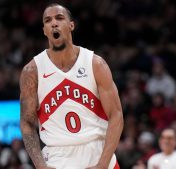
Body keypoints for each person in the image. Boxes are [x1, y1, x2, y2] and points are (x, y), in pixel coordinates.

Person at [19, 3, 123, 169]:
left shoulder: (95, 64)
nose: (54, 23)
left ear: (71, 25)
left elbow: (116, 115)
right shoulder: (32, 71)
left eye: (59, 18)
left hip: (97, 152)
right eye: (48, 20)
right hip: (57, 157)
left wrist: (102, 165)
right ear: (44, 30)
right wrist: (40, 166)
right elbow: (27, 123)